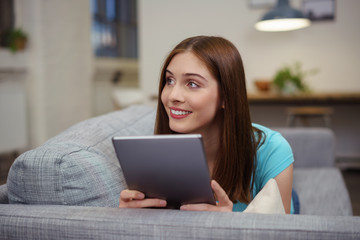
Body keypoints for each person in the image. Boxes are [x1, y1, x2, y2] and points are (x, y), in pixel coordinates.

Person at [119, 36, 296, 214]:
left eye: (192, 83)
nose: (173, 95)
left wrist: (230, 225)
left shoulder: (272, 149)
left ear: (226, 97)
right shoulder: (153, 155)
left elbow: (282, 231)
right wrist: (126, 217)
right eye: (169, 80)